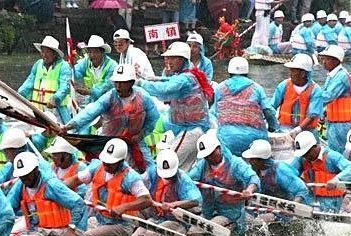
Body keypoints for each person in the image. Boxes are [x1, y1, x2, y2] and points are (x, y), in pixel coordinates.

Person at [62, 64, 159, 173]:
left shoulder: (143, 97)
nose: (118, 86)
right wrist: (70, 125)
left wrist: (142, 133)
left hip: (134, 141)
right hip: (109, 141)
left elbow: (153, 117)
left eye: (122, 83)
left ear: (131, 83)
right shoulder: (108, 97)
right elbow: (90, 112)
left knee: (151, 169)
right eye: (116, 82)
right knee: (97, 170)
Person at [137, 42, 213, 170]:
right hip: (192, 130)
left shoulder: (185, 79)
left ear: (182, 59)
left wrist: (140, 83)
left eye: (172, 58)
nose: (169, 61)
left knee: (166, 165)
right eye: (168, 58)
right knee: (180, 171)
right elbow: (167, 81)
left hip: (190, 131)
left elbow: (165, 89)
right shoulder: (188, 75)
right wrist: (147, 78)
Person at [64, 138, 152, 236]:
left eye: (110, 163)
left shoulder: (131, 177)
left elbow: (146, 200)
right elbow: (74, 180)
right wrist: (59, 191)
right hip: (100, 220)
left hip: (122, 225)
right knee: (75, 231)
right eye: (105, 161)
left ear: (121, 161)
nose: (106, 165)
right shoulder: (97, 167)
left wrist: (123, 207)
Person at [188, 131, 260, 236]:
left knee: (206, 229)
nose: (209, 158)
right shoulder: (202, 166)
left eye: (211, 154)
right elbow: (188, 181)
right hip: (208, 212)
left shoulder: (235, 164)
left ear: (219, 148)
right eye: (206, 156)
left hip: (230, 214)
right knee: (192, 232)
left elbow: (253, 178)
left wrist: (249, 190)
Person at [212, 56, 279, 156]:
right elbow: (268, 111)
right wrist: (273, 128)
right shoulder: (257, 88)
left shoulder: (220, 88)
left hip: (227, 139)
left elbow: (215, 111)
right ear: (247, 72)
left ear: (229, 72)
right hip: (254, 139)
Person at [130, 149, 202, 236]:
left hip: (176, 221)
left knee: (150, 235)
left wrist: (174, 204)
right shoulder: (153, 172)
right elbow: (138, 181)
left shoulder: (183, 179)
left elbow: (195, 201)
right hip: (157, 218)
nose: (168, 177)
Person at [7, 151, 86, 235]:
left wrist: (72, 229)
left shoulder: (51, 185)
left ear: (35, 170)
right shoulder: (21, 184)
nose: (24, 178)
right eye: (21, 176)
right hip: (34, 231)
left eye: (27, 174)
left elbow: (78, 203)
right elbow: (8, 209)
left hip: (57, 231)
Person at [290, 131, 351, 212]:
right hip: (309, 199)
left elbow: (349, 168)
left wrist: (337, 179)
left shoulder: (332, 156)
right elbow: (290, 172)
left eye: (307, 153)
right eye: (303, 154)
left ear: (314, 147)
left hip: (332, 201)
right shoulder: (302, 158)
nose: (305, 156)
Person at [18, 36, 72, 124]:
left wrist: (55, 99)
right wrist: (20, 94)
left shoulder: (64, 67)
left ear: (55, 54)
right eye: (42, 51)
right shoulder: (38, 64)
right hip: (38, 111)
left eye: (47, 52)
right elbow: (28, 83)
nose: (44, 55)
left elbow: (65, 87)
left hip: (57, 111)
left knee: (65, 131)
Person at [242, 139, 311, 203]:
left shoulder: (280, 170)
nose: (249, 161)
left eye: (252, 159)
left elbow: (302, 190)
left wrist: (292, 207)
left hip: (284, 210)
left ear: (261, 159)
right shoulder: (253, 169)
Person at [271, 54, 323, 139]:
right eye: (290, 70)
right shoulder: (284, 85)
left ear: (302, 73)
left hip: (307, 132)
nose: (290, 74)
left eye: (293, 71)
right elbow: (272, 106)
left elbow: (312, 115)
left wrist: (299, 129)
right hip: (284, 129)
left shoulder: (315, 90)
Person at [319, 45, 351, 153]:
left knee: (340, 153)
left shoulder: (341, 77)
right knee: (333, 150)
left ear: (336, 60)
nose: (323, 62)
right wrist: (323, 112)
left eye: (326, 59)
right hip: (334, 121)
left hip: (343, 124)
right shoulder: (332, 76)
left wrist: (309, 102)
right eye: (323, 58)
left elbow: (328, 96)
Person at [73, 35, 117, 103]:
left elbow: (108, 86)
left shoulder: (112, 66)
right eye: (90, 52)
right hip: (91, 101)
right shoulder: (86, 62)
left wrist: (90, 91)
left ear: (102, 52)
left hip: (109, 101)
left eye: (96, 52)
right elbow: (76, 71)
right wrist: (79, 83)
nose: (92, 55)